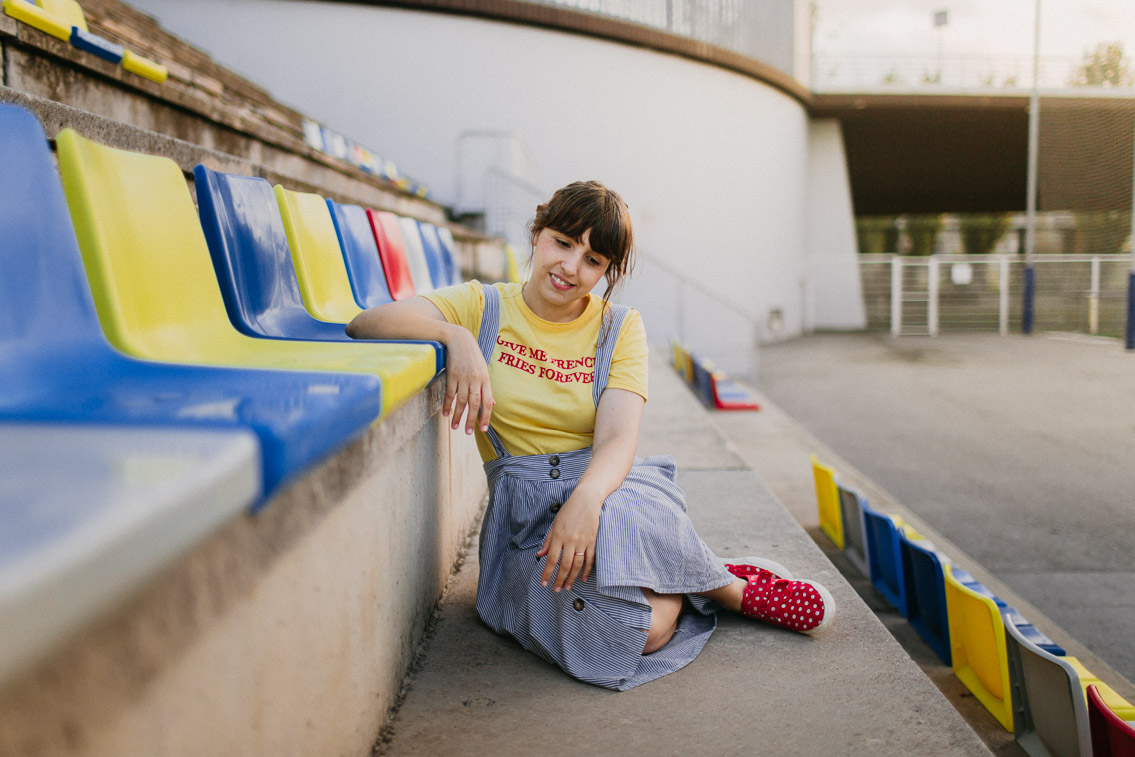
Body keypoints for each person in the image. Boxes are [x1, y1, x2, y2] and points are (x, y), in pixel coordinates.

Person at [346, 181, 834, 690]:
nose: (571, 268)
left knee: (630, 552)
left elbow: (619, 440)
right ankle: (696, 577)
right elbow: (366, 322)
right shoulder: (483, 306)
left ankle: (731, 589)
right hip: (527, 518)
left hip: (612, 489)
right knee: (628, 632)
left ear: (607, 272)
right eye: (562, 242)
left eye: (593, 259)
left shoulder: (619, 328)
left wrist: (588, 500)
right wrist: (456, 336)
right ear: (536, 234)